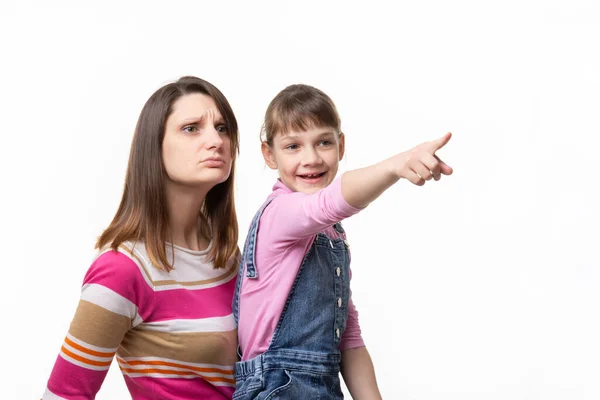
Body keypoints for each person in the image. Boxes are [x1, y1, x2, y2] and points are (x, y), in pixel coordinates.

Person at [232, 84, 453, 399]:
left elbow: (347, 334)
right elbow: (329, 202)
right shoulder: (279, 214)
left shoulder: (331, 233)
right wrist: (395, 165)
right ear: (269, 154)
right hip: (276, 387)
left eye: (323, 142)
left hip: (323, 387)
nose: (311, 158)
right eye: (293, 146)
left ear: (341, 145)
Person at [43, 76, 241, 399]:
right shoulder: (121, 269)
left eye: (222, 128)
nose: (215, 141)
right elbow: (63, 395)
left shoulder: (223, 252)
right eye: (191, 128)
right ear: (154, 146)